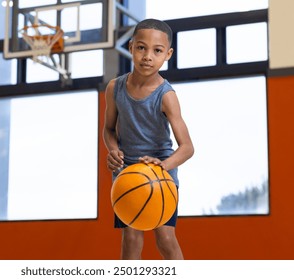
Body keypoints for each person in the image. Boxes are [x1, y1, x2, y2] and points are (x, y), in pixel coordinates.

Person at [103, 18, 194, 260]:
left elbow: (187, 148)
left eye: (157, 50)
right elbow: (109, 130)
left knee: (165, 238)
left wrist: (162, 167)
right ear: (131, 47)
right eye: (141, 47)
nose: (147, 56)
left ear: (168, 54)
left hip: (161, 170)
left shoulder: (167, 96)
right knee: (131, 239)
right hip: (128, 172)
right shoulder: (114, 88)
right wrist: (113, 151)